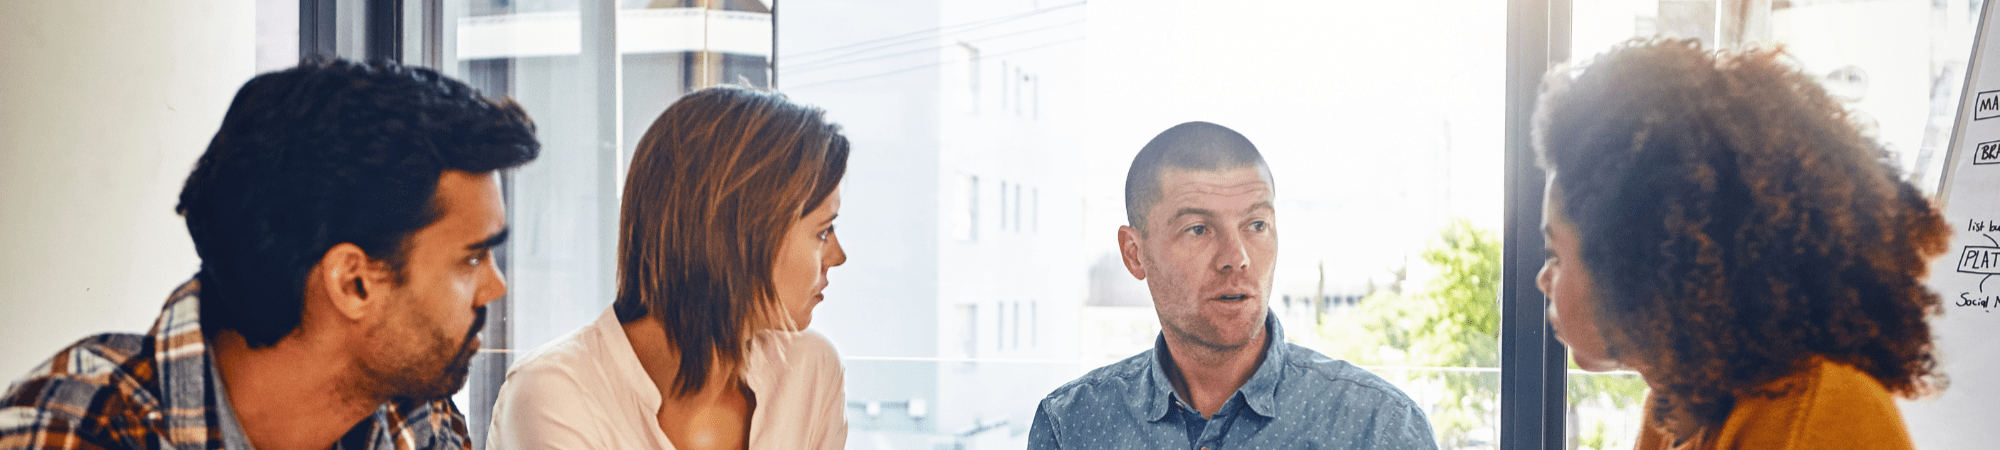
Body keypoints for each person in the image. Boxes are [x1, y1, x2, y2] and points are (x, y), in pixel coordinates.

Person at [0, 58, 540, 449]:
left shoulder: (417, 416)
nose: (496, 287)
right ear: (353, 282)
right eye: (471, 258)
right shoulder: (72, 428)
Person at [1533, 39, 1952, 449]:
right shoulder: (1676, 409)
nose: (1542, 279)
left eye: (1556, 255)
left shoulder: (1814, 417)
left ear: (1628, 266)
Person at [1028, 121, 1439, 449]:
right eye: (1198, 229)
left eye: (1256, 225)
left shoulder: (1378, 429)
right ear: (1135, 254)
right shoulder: (1072, 425)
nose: (1236, 256)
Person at [486, 86, 850, 450]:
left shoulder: (812, 370)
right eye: (823, 232)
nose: (838, 256)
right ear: (740, 235)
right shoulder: (555, 395)